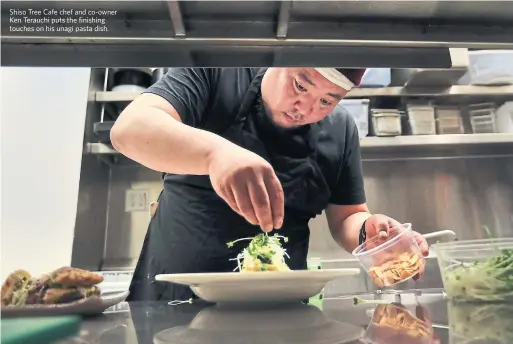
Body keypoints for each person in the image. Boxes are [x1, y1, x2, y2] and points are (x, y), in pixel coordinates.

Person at [110, 68, 429, 302]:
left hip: (279, 310)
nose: (305, 108)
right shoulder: (215, 74)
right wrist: (215, 154)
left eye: (326, 101)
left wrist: (370, 233)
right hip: (174, 300)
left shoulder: (342, 128)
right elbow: (129, 130)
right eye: (300, 85)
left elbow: (348, 215)